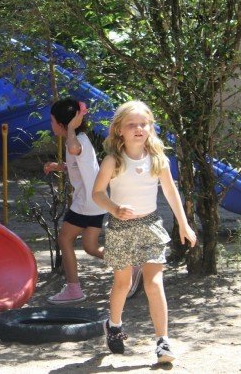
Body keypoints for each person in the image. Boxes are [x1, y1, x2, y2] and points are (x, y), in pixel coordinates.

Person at [92, 101, 197, 364]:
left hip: (150, 225)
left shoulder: (158, 160)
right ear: (119, 130)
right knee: (123, 283)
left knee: (154, 282)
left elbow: (171, 193)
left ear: (150, 127)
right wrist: (114, 208)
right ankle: (114, 325)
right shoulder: (112, 160)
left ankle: (163, 341)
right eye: (131, 124)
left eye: (143, 124)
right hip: (120, 228)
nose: (138, 129)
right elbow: (97, 194)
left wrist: (184, 224)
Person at [44, 98, 112, 304]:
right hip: (97, 201)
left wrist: (72, 128)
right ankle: (131, 263)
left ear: (64, 124)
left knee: (64, 239)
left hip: (86, 202)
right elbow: (79, 165)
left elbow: (75, 150)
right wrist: (60, 166)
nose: (51, 125)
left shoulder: (77, 140)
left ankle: (74, 289)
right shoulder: (79, 139)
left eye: (53, 121)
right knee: (91, 247)